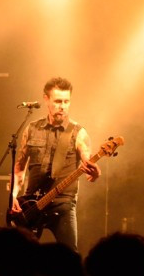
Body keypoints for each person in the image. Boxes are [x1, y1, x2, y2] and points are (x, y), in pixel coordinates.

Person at [9, 76, 100, 251]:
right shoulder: (32, 129)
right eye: (58, 101)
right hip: (31, 204)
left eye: (67, 101)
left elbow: (86, 157)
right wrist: (14, 195)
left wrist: (93, 172)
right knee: (20, 256)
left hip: (62, 203)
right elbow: (20, 167)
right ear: (46, 99)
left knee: (70, 255)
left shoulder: (78, 132)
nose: (63, 106)